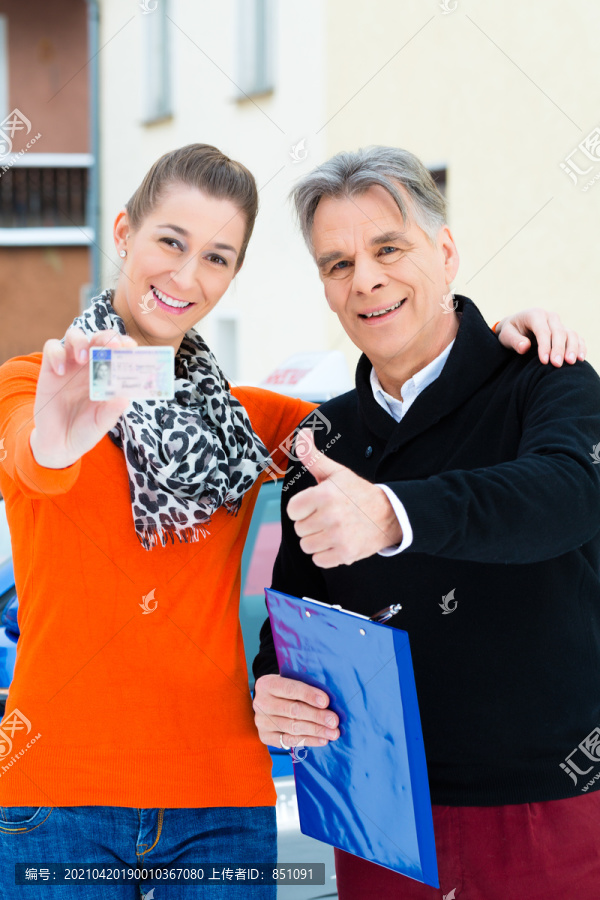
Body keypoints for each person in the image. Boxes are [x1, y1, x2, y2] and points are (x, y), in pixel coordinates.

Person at [0, 142, 582, 900]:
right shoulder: (38, 384)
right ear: (122, 231)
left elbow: (406, 420)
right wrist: (64, 433)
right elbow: (33, 458)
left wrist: (505, 339)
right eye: (170, 242)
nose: (185, 275)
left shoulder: (251, 423)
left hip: (220, 801)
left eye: (216, 257)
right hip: (58, 796)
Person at [252, 146, 600, 900]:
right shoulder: (324, 439)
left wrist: (391, 513)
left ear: (445, 252)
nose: (366, 279)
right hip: (379, 818)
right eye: (337, 263)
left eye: (388, 248)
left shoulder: (546, 381)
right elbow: (294, 625)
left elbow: (567, 495)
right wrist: (272, 686)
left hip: (551, 806)